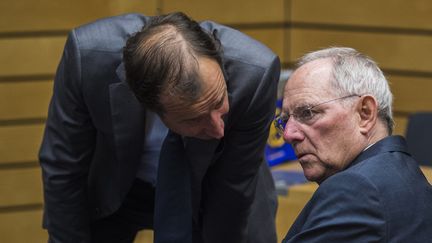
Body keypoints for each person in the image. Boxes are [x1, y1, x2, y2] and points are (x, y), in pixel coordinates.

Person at [39, 12, 280, 243]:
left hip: (215, 183)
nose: (218, 129)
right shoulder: (88, 57)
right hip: (118, 186)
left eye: (218, 102)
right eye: (194, 119)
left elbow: (231, 191)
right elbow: (64, 165)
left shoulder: (255, 74)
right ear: (148, 104)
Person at [274, 47, 432, 242]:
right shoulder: (401, 170)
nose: (289, 134)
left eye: (308, 113)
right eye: (283, 122)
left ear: (365, 113)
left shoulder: (357, 189)